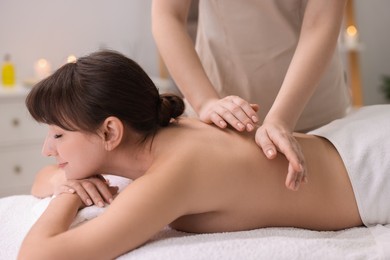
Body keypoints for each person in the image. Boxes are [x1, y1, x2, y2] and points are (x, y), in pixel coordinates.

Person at [18, 51, 390, 260]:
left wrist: (67, 195)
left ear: (111, 131)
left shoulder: (171, 175)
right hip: (352, 143)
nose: (48, 149)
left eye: (58, 134)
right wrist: (68, 180)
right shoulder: (169, 132)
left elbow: (39, 256)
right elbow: (44, 176)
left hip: (374, 171)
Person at [151, 0, 351, 190]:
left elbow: (320, 23)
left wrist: (281, 120)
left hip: (312, 111)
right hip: (218, 111)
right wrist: (205, 102)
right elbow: (168, 15)